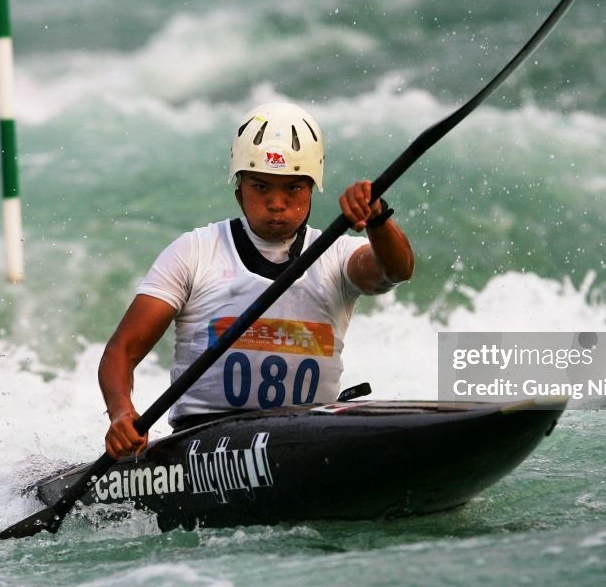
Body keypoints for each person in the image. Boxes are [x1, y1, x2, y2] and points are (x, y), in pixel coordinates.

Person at [99, 101, 415, 459]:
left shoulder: (338, 255)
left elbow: (395, 270)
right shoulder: (194, 252)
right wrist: (122, 413)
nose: (276, 203)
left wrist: (378, 218)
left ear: (312, 190)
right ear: (239, 190)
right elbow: (121, 351)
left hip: (309, 437)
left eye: (293, 188)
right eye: (261, 187)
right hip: (204, 442)